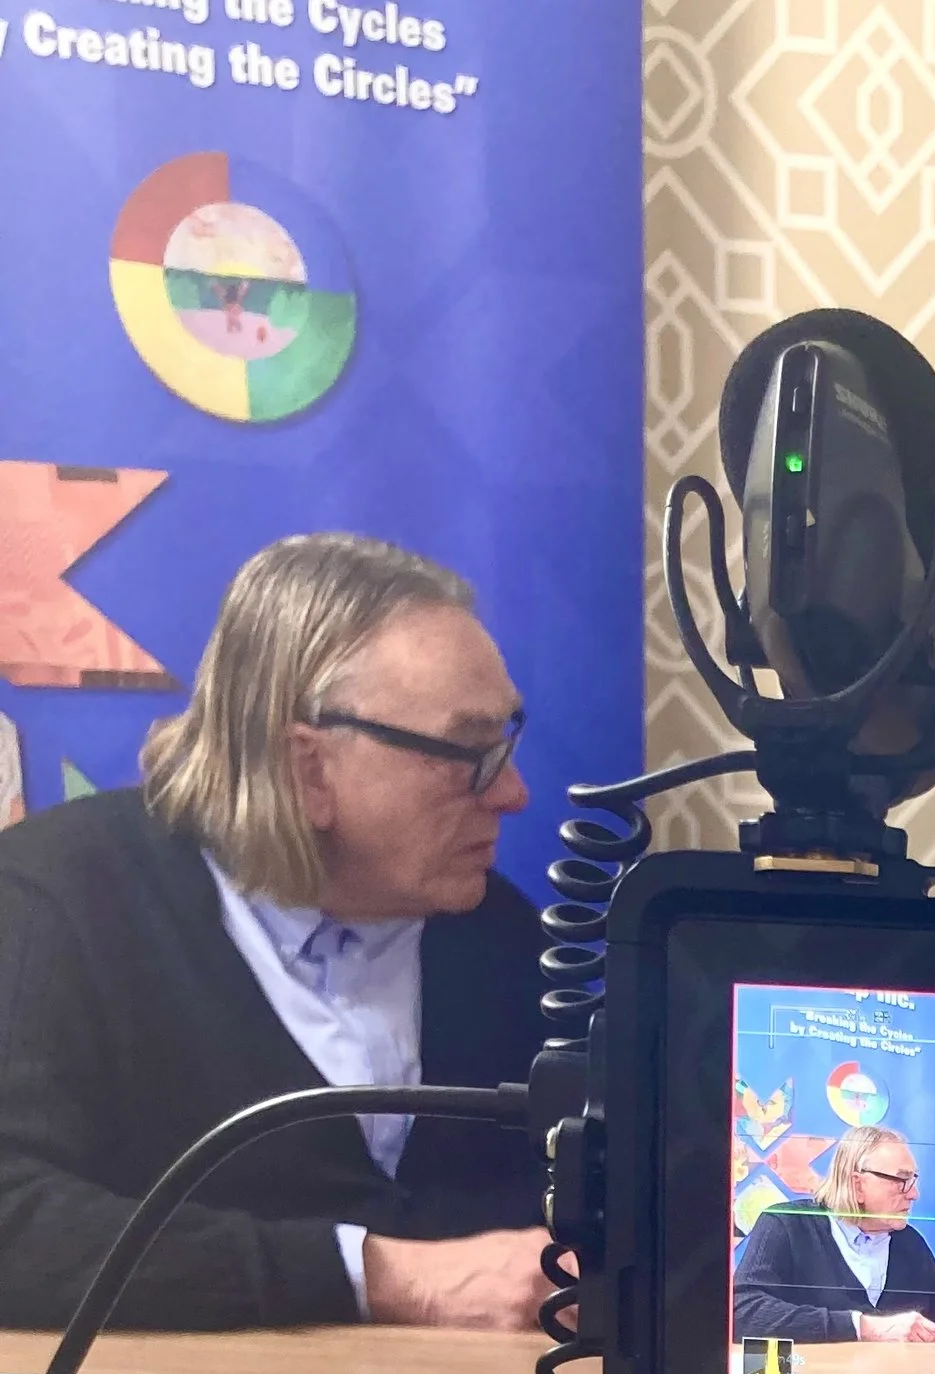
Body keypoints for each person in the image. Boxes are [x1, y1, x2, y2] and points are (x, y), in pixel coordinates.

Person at [0, 533, 553, 1329]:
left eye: (505, 743)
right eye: (467, 752)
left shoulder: (497, 937)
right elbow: (13, 1220)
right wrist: (376, 1274)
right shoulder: (57, 903)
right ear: (306, 768)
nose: (512, 793)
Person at [732, 1121, 935, 1344]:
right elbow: (741, 1313)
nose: (913, 1194)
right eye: (902, 1180)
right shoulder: (786, 1224)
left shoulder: (910, 1243)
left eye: (913, 1180)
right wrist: (863, 1327)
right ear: (857, 1184)